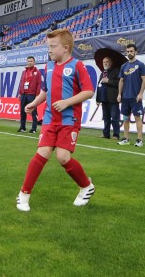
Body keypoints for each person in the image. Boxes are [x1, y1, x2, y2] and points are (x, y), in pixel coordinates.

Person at [16, 29, 95, 211]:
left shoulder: (77, 66)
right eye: (48, 46)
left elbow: (89, 91)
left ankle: (86, 186)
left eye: (53, 46)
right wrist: (34, 103)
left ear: (65, 48)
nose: (49, 50)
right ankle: (23, 194)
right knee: (42, 153)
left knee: (63, 157)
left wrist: (67, 102)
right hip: (50, 118)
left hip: (69, 119)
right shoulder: (48, 66)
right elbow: (46, 90)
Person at [117, 43, 145, 147]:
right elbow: (121, 81)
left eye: (131, 51)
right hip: (125, 97)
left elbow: (144, 80)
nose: (129, 53)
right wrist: (119, 94)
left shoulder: (140, 65)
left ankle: (139, 140)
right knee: (125, 119)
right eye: (128, 51)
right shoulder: (123, 66)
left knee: (137, 118)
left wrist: (141, 93)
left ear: (135, 52)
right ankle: (126, 139)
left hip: (135, 97)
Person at [96, 56, 120, 140]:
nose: (105, 63)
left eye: (107, 62)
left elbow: (120, 83)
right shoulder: (102, 73)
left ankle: (116, 134)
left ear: (111, 63)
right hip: (104, 99)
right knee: (106, 118)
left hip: (113, 98)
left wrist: (109, 81)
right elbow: (99, 86)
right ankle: (106, 134)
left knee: (115, 118)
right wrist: (98, 99)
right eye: (104, 62)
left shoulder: (116, 71)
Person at [17, 56, 42, 134]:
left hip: (32, 94)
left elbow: (39, 84)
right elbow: (21, 83)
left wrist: (37, 94)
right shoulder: (24, 72)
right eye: (28, 61)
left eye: (31, 61)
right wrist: (20, 93)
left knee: (33, 111)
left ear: (34, 62)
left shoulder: (37, 72)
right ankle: (22, 127)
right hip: (24, 94)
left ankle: (34, 128)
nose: (29, 62)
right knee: (22, 111)